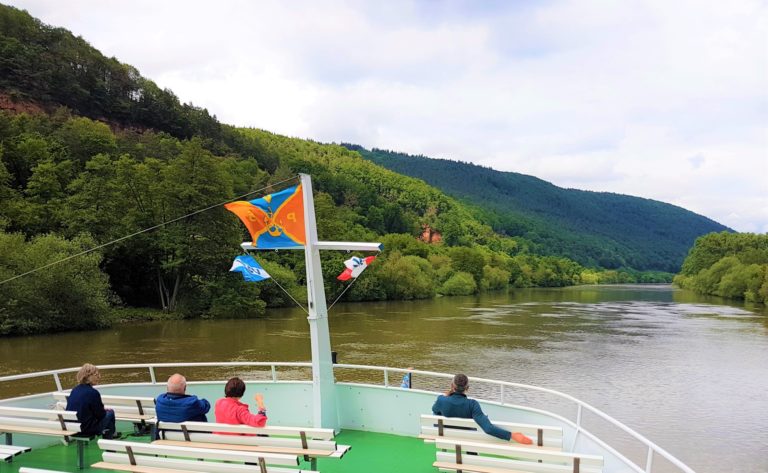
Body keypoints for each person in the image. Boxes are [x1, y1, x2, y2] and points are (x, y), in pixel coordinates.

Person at [432, 373, 532, 445]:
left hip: (447, 437)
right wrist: (512, 435)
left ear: (452, 386)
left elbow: (435, 411)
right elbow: (488, 429)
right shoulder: (472, 404)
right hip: (468, 439)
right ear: (467, 388)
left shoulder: (441, 400)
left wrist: (446, 398)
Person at [65, 363, 120, 439]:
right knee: (110, 413)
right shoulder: (93, 392)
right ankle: (111, 438)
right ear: (87, 377)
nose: (99, 377)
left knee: (107, 416)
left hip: (72, 428)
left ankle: (112, 435)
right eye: (96, 375)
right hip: (86, 430)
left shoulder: (75, 390)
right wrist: (104, 411)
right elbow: (101, 415)